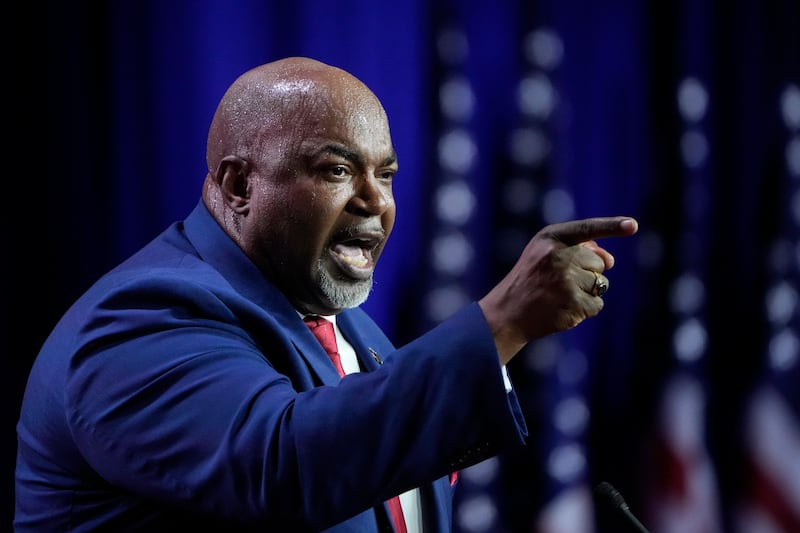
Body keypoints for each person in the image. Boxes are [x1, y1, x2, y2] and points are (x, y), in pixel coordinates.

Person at [14, 56, 638, 532]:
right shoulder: (141, 320)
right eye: (337, 170)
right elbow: (282, 469)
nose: (375, 202)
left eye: (385, 174)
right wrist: (503, 322)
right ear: (238, 186)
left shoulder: (346, 328)